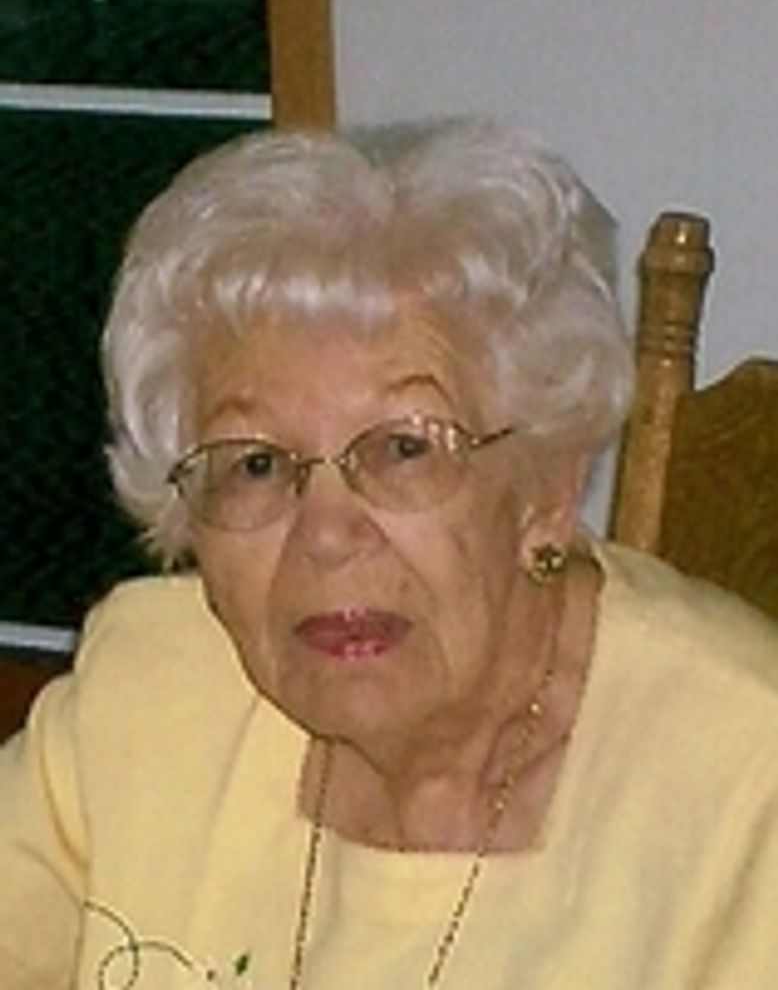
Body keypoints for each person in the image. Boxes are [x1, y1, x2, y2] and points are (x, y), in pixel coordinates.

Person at [1, 120, 778, 990]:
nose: (327, 535)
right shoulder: (145, 691)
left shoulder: (745, 788)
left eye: (404, 449)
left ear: (549, 488)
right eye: (256, 464)